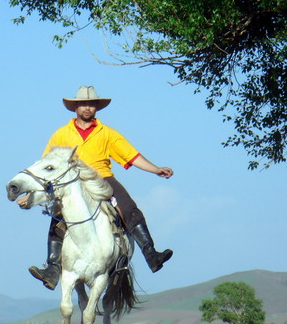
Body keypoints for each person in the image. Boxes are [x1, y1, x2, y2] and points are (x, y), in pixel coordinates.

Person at [21, 85, 174, 291]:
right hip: (72, 182)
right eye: (83, 104)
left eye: (92, 104)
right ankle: (52, 269)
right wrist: (31, 195)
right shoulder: (61, 134)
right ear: (75, 107)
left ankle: (151, 255)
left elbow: (131, 155)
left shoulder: (108, 133)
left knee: (129, 208)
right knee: (57, 217)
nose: (87, 108)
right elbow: (46, 166)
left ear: (96, 108)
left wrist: (155, 169)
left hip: (102, 178)